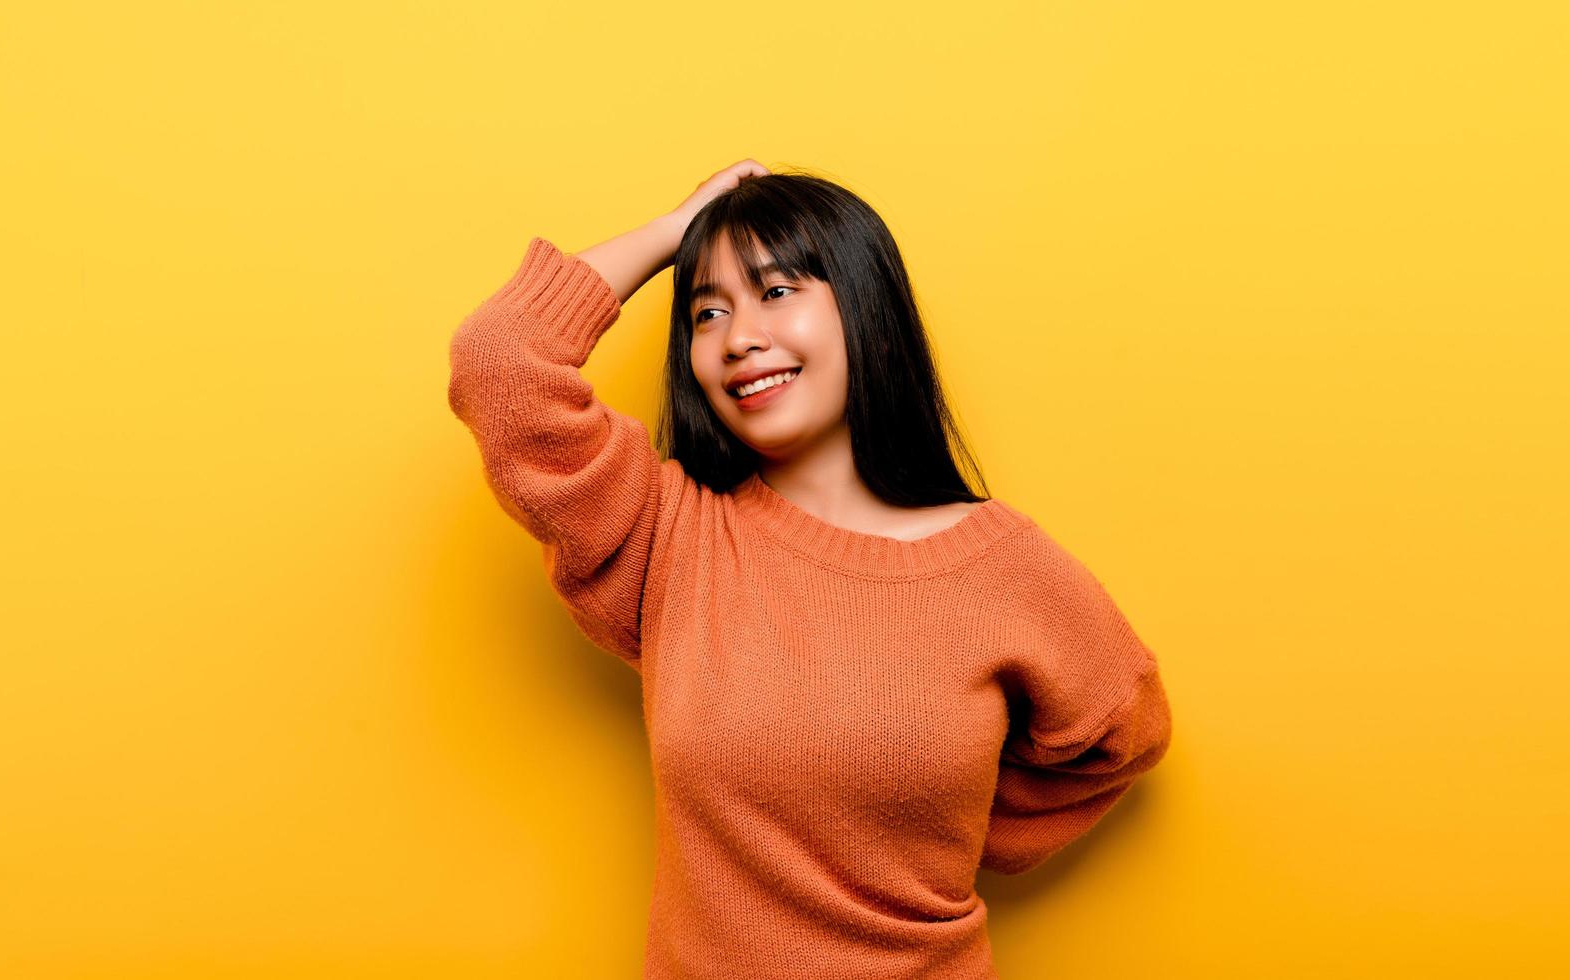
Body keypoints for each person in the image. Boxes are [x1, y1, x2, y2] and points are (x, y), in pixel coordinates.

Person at [447, 160, 1173, 979]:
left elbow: (1122, 736)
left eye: (777, 291)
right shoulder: (670, 534)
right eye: (706, 313)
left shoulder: (1003, 567)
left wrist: (960, 822)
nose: (738, 337)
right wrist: (673, 233)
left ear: (867, 309)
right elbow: (498, 361)